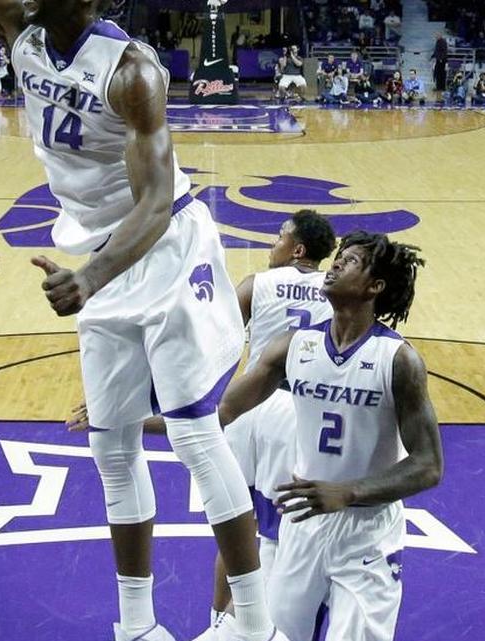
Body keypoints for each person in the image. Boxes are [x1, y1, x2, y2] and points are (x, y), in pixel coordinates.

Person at [0, 1, 287, 640]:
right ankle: (137, 627)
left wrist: (90, 281)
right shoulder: (21, 28)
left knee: (195, 435)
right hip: (101, 251)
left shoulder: (132, 72)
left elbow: (153, 202)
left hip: (164, 246)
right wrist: (93, 274)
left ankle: (255, 627)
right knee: (110, 445)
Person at [73, 211, 338, 640]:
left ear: (297, 249)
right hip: (304, 416)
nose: (273, 244)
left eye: (279, 237)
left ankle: (222, 622)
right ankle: (262, 625)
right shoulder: (338, 292)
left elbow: (212, 340)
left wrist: (149, 399)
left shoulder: (258, 284)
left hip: (249, 409)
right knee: (288, 538)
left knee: (236, 525)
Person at [218, 231, 443, 641]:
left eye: (352, 261)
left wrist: (349, 492)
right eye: (339, 257)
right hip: (303, 523)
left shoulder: (399, 360)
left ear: (375, 287)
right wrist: (134, 420)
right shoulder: (295, 346)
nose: (337, 264)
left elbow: (429, 465)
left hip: (367, 531)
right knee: (274, 636)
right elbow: (223, 411)